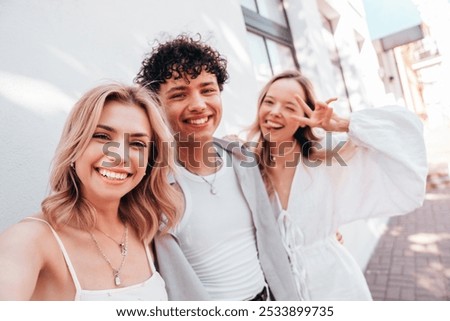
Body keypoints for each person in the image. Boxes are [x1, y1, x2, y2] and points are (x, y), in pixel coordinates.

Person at [135, 34, 299, 300]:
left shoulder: (242, 160)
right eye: (179, 94)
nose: (199, 105)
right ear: (157, 106)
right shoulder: (153, 185)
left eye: (208, 90)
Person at [247, 70, 428, 300]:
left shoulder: (325, 157)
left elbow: (406, 131)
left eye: (290, 107)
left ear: (306, 117)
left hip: (338, 288)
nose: (274, 112)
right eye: (269, 102)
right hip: (282, 294)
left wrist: (342, 123)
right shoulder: (249, 168)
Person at [0, 83, 182, 300]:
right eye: (103, 136)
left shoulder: (147, 230)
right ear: (75, 145)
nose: (119, 156)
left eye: (137, 144)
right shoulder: (29, 240)